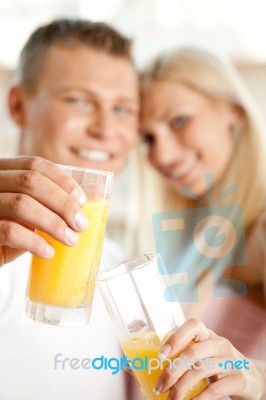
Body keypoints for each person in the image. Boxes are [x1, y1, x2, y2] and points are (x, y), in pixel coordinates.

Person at [0, 19, 139, 400]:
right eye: (78, 100)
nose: (106, 128)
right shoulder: (5, 253)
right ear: (18, 105)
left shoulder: (114, 259)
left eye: (124, 108)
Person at [139, 47, 266, 399]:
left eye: (178, 120)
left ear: (233, 113)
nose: (161, 155)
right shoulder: (190, 244)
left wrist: (251, 378)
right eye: (147, 138)